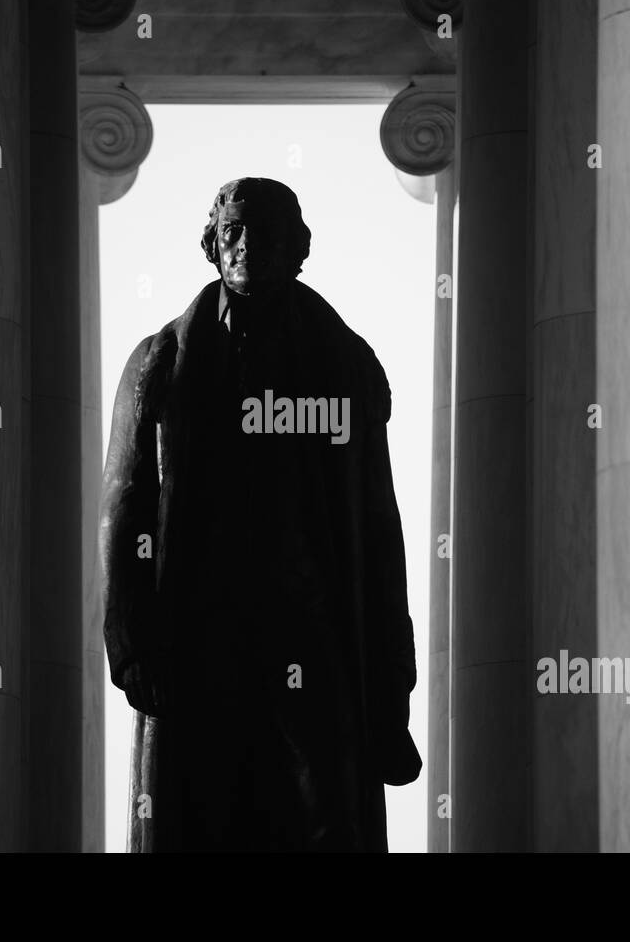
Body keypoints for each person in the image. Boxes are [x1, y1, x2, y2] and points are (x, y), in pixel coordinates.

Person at [100, 177, 421, 851]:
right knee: (203, 823)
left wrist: (391, 690)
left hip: (316, 635)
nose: (247, 245)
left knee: (326, 823)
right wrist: (131, 646)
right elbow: (127, 510)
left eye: (266, 230)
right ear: (212, 246)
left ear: (299, 248)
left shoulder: (348, 367)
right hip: (200, 639)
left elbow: (377, 529)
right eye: (234, 231)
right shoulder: (159, 362)